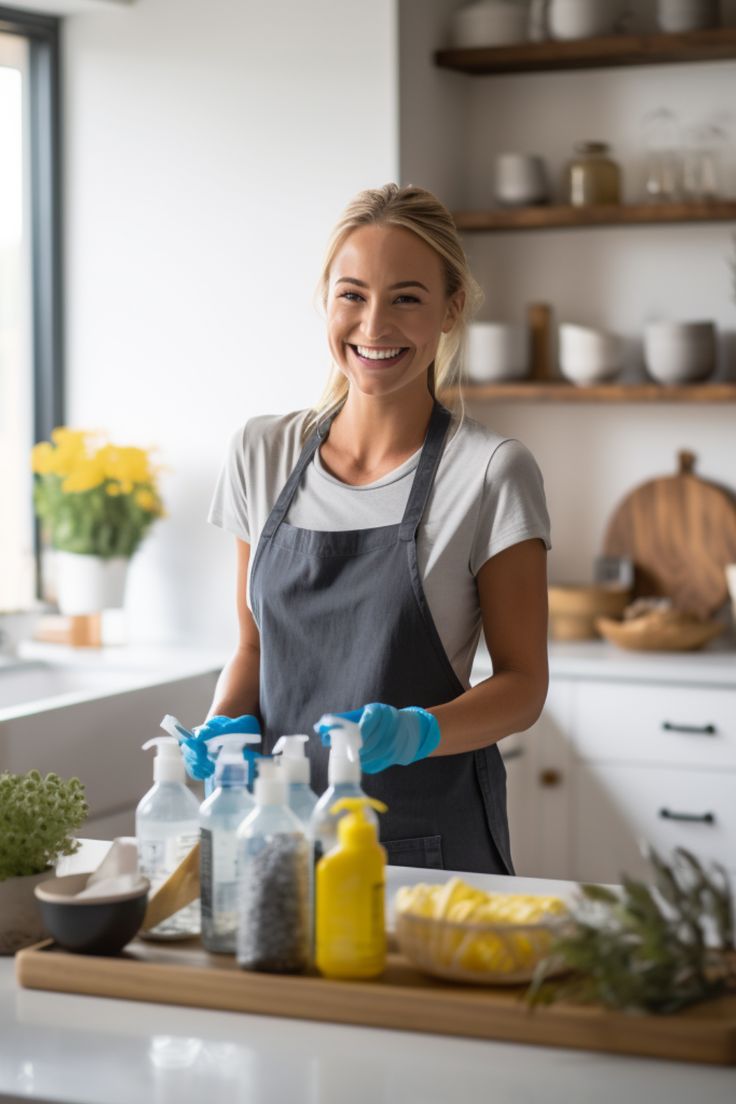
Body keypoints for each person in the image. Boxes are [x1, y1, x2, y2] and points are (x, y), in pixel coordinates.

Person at [186, 183, 550, 874]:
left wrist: (419, 730)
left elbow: (524, 684)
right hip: (276, 840)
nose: (374, 325)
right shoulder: (261, 453)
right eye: (352, 294)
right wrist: (224, 723)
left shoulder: (491, 472)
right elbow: (253, 651)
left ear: (451, 309)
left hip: (425, 849)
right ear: (327, 301)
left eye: (406, 297)